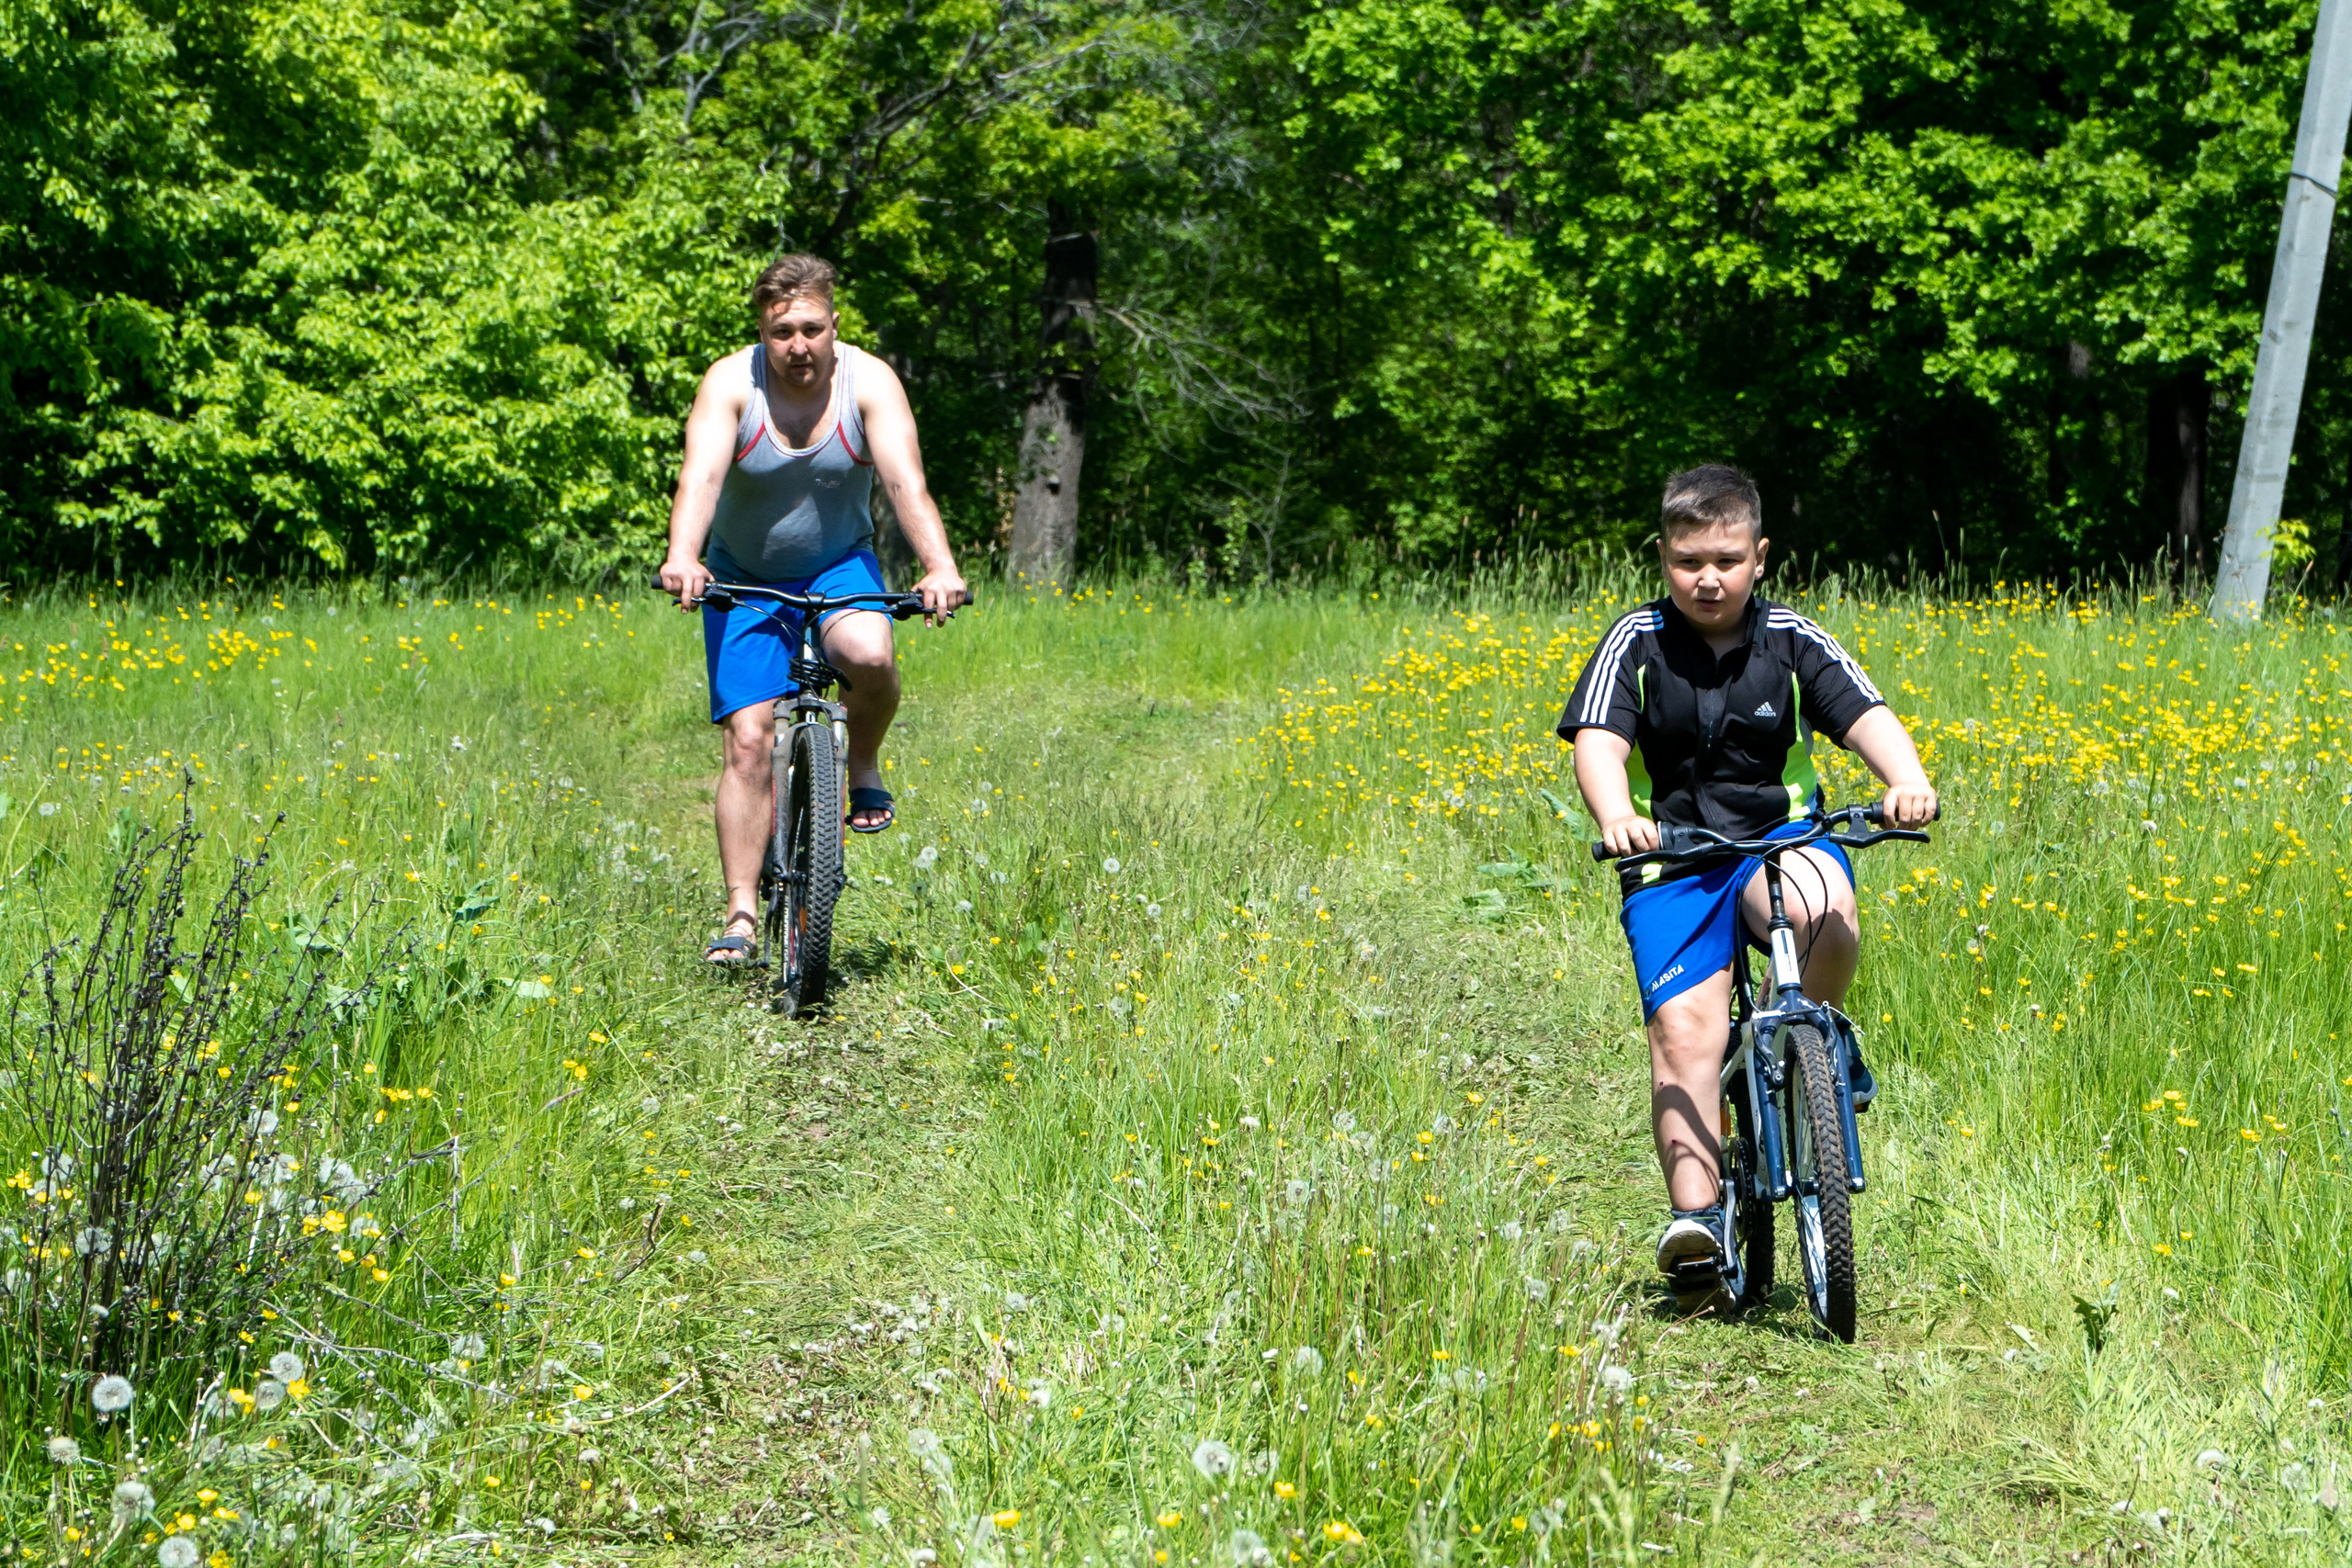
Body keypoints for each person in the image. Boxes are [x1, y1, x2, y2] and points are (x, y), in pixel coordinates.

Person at [1557, 464, 1937, 1292]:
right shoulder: (1638, 641)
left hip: (1780, 838)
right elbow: (1598, 738)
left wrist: (1906, 780)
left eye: (1727, 558)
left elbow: (1864, 714)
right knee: (1687, 1034)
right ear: (1663, 557)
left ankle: (1812, 1048)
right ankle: (1696, 1223)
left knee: (1828, 909)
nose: (1708, 576)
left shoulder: (1795, 639)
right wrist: (1616, 812)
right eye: (1689, 559)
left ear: (1759, 556)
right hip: (1677, 858)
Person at [658, 254, 968, 965]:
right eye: (782, 331)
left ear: (835, 323)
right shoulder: (731, 384)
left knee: (871, 655)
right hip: (744, 574)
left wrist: (938, 566)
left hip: (838, 565)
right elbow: (700, 475)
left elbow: (904, 481)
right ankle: (740, 911)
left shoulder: (870, 382)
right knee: (748, 737)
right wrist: (685, 555)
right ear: (762, 332)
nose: (799, 345)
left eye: (812, 328)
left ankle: (861, 760)